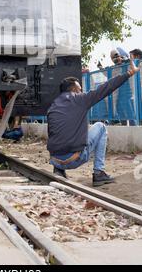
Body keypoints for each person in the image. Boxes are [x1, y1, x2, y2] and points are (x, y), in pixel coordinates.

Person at [47, 59, 139, 187]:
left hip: (55, 160)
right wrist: (129, 73)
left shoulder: (53, 106)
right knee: (100, 127)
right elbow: (106, 87)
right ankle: (98, 172)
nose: (82, 91)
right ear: (74, 89)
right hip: (73, 160)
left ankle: (59, 170)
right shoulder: (81, 99)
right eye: (80, 89)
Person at [110, 49, 137, 126]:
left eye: (117, 56)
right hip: (118, 96)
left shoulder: (126, 63)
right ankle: (124, 126)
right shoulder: (114, 68)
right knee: (121, 113)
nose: (116, 59)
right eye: (113, 58)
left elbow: (133, 65)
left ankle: (134, 129)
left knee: (130, 113)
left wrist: (125, 60)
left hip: (127, 93)